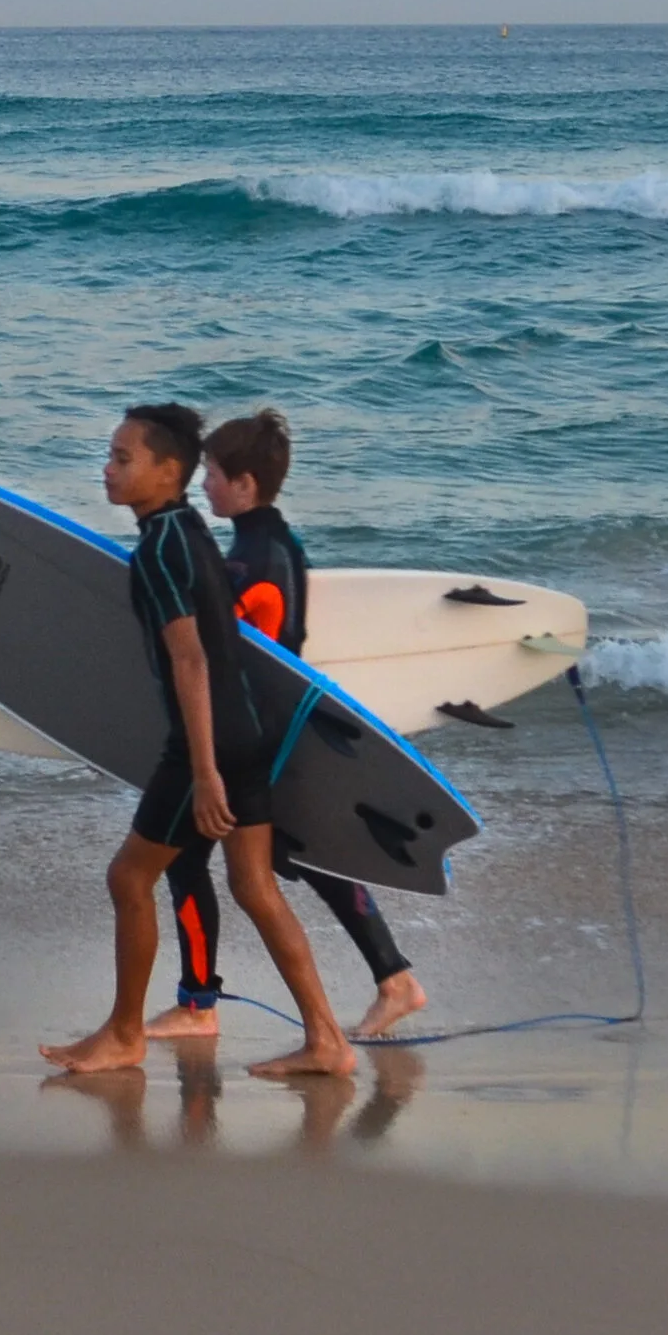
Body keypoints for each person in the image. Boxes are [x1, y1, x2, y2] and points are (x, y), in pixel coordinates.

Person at [39, 403, 357, 1082]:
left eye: (124, 458)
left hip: (204, 745)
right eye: (110, 454)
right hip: (249, 733)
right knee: (253, 884)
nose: (108, 468)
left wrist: (204, 770)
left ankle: (125, 1033)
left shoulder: (157, 550)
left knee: (129, 876)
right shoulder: (189, 530)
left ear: (169, 469)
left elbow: (190, 660)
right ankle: (327, 1038)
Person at [147, 408, 430, 1047]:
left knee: (186, 857)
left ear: (246, 484)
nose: (205, 487)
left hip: (250, 741)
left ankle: (198, 1004)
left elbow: (212, 651)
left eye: (215, 476)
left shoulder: (248, 563)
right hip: (281, 733)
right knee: (307, 856)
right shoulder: (280, 543)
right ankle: (394, 979)